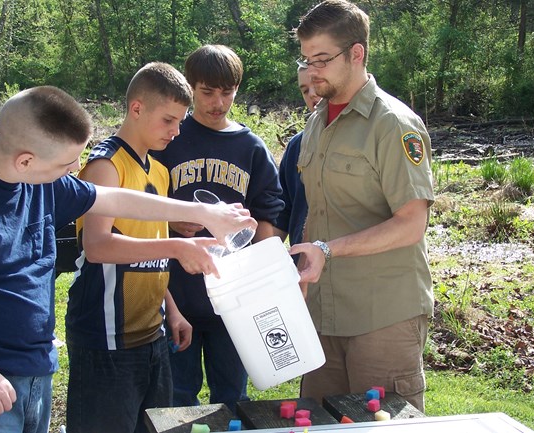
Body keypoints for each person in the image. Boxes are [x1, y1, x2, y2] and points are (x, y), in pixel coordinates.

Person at [0, 85, 256, 433]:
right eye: (67, 163)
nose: (75, 171)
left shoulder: (40, 180)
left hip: (34, 371)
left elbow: (113, 199)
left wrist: (204, 212)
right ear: (25, 160)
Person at [289, 0, 435, 412]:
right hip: (323, 317)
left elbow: (411, 224)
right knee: (317, 423)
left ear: (357, 54)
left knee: (383, 424)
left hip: (381, 318)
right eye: (306, 59)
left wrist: (329, 250)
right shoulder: (318, 121)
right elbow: (320, 214)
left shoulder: (393, 124)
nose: (312, 71)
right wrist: (299, 278)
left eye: (322, 59)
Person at [65, 63, 208, 433]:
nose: (177, 131)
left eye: (180, 121)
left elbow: (154, 251)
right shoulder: (106, 165)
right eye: (169, 120)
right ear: (137, 108)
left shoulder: (159, 172)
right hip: (106, 339)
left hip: (153, 335)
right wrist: (179, 246)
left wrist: (172, 310)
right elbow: (97, 246)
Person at [151, 44, 284, 412]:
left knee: (233, 400)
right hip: (177, 293)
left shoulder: (251, 147)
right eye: (207, 92)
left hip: (234, 299)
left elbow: (271, 211)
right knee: (177, 400)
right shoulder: (170, 140)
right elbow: (139, 204)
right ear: (190, 87)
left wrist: (261, 266)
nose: (218, 102)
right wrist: (171, 219)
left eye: (227, 92)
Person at [273, 65, 320, 252]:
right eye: (305, 90)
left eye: (317, 85)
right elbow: (282, 212)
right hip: (302, 267)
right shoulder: (297, 145)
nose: (312, 95)